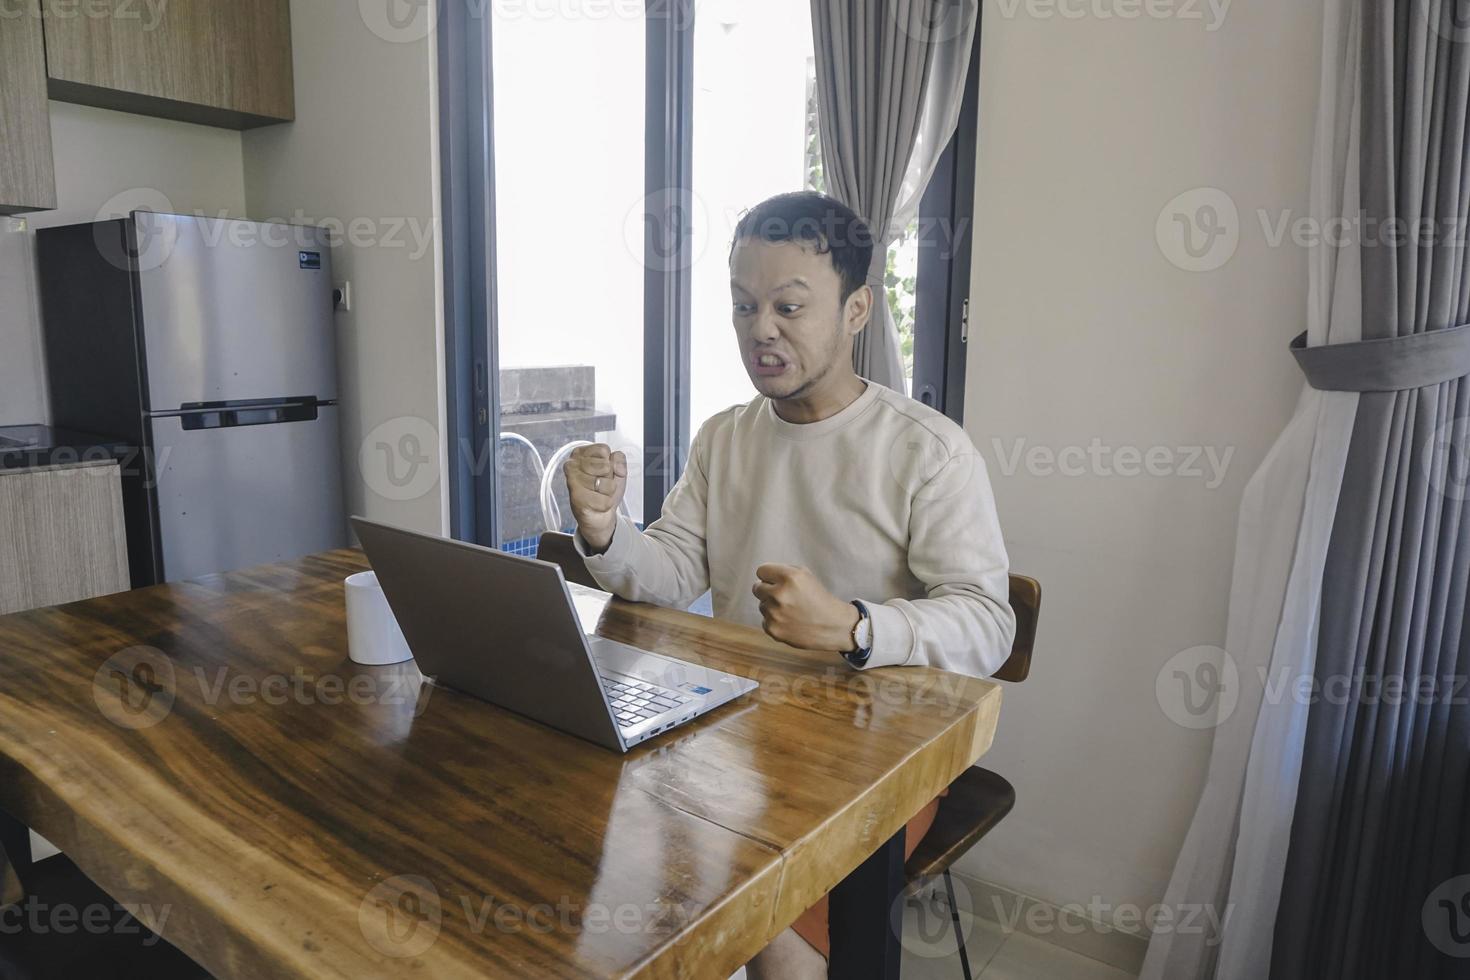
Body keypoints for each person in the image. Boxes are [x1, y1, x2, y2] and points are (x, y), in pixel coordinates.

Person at [565, 191, 1015, 978]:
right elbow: (670, 572)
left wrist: (855, 628)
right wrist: (606, 530)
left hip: (880, 755)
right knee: (597, 852)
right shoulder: (727, 436)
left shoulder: (929, 452)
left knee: (771, 937)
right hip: (738, 736)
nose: (759, 329)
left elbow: (988, 623)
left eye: (788, 306)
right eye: (743, 307)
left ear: (856, 309)